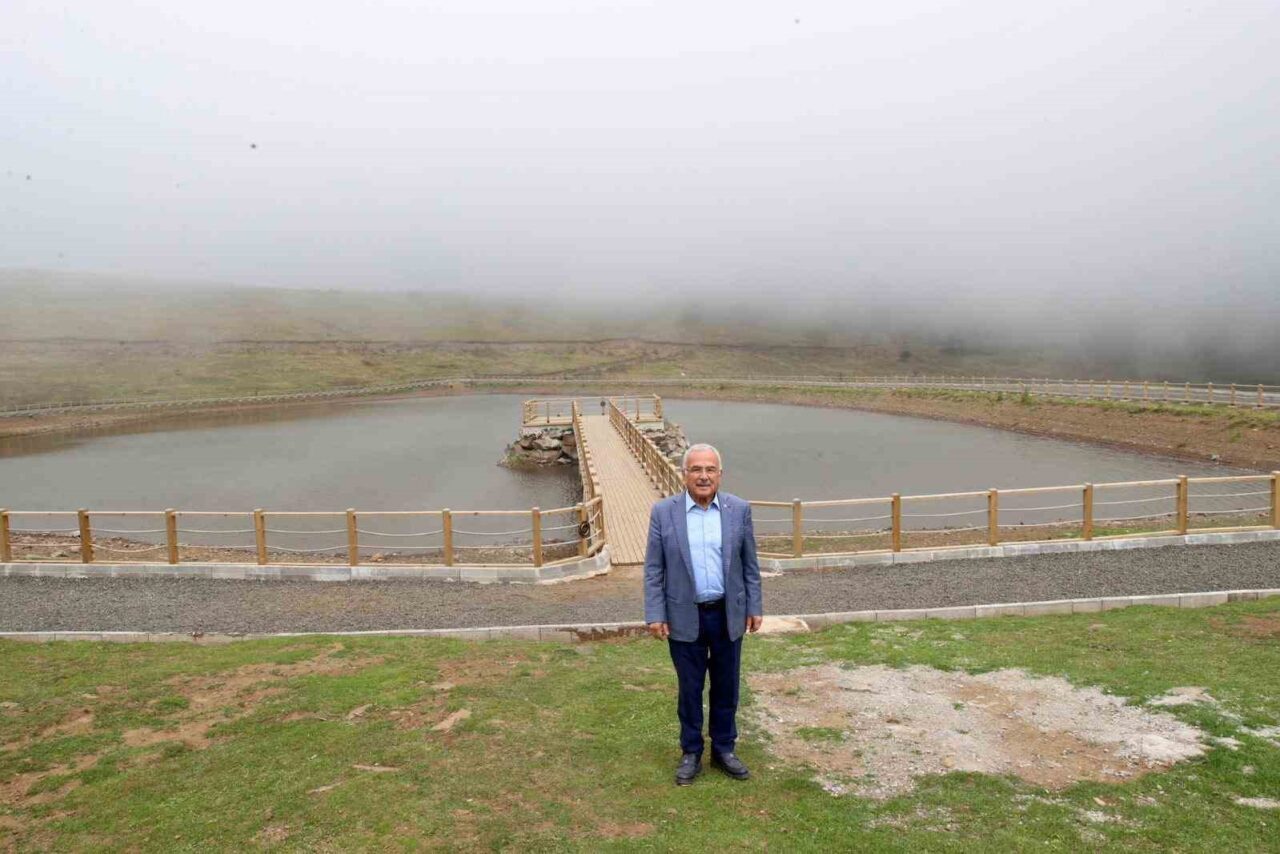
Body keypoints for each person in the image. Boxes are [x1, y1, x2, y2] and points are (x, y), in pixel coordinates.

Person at [643, 443, 763, 786]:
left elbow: (750, 565)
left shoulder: (738, 510)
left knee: (727, 687)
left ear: (720, 475)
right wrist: (655, 613)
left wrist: (754, 606)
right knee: (690, 688)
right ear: (684, 475)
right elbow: (654, 569)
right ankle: (691, 751)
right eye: (696, 469)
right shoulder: (664, 512)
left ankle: (724, 748)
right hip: (684, 616)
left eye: (710, 469)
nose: (703, 476)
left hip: (728, 614)